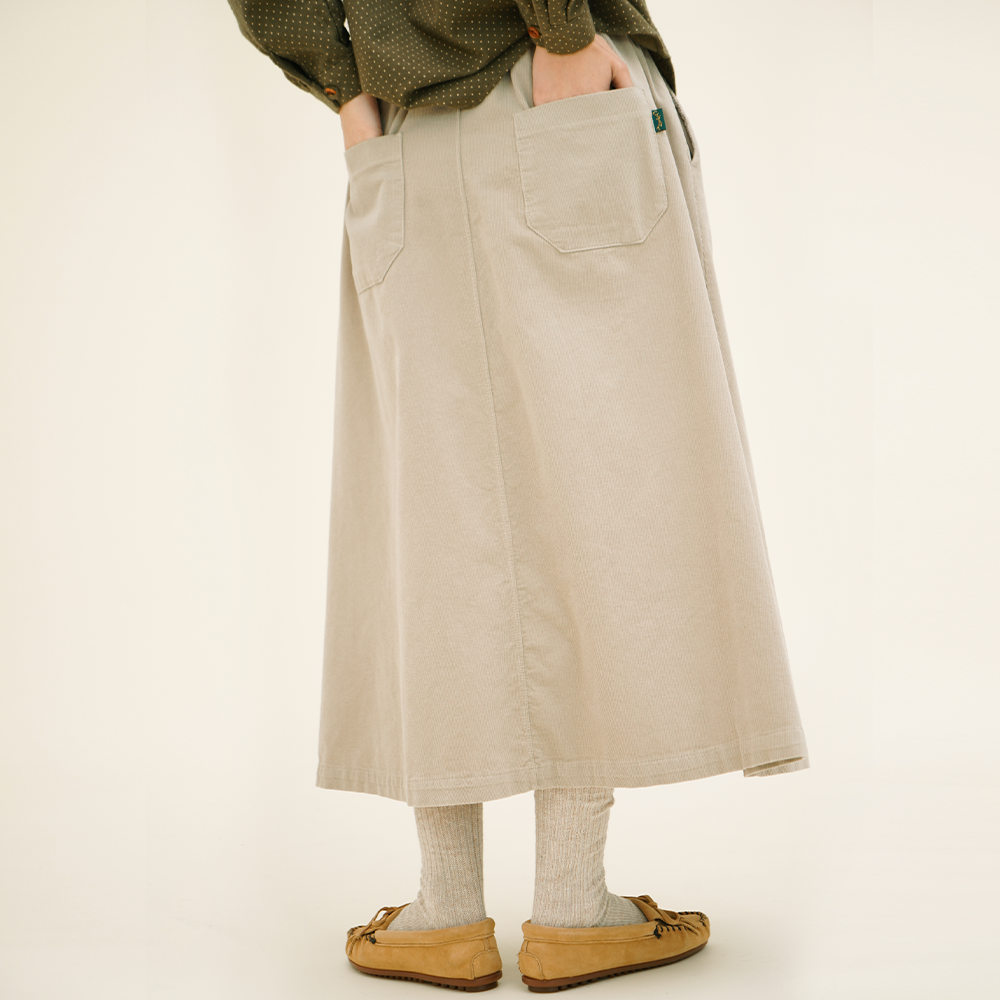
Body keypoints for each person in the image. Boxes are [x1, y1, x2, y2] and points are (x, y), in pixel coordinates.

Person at [225, 1, 809, 992]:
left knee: (428, 507)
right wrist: (564, 31)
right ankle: (573, 905)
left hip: (402, 130)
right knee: (598, 484)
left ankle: (444, 912)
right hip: (542, 77)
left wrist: (348, 87)